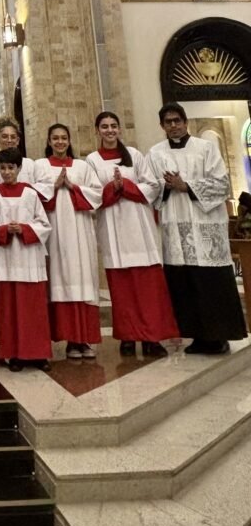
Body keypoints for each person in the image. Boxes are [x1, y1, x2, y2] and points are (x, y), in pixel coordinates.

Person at [147, 103, 246, 354]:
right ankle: (197, 336)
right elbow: (148, 187)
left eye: (177, 120)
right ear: (162, 126)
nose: (173, 125)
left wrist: (186, 186)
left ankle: (219, 336)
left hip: (204, 226)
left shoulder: (205, 148)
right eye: (168, 122)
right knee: (185, 284)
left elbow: (222, 184)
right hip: (175, 228)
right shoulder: (155, 153)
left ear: (185, 121)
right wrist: (165, 185)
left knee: (210, 283)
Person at [86, 112, 178, 358]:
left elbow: (152, 185)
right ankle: (127, 336)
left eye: (113, 126)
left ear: (119, 129)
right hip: (113, 230)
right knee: (122, 289)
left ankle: (151, 338)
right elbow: (93, 193)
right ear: (97, 130)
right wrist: (111, 188)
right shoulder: (92, 160)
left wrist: (124, 186)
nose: (109, 130)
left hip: (139, 227)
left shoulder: (135, 155)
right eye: (104, 126)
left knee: (147, 289)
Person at [33, 124, 103, 360]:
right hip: (54, 232)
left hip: (80, 230)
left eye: (64, 138)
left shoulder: (83, 166)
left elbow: (97, 195)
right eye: (55, 138)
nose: (60, 142)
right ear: (49, 141)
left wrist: (72, 186)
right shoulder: (39, 165)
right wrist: (53, 186)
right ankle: (66, 339)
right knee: (59, 279)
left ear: (70, 140)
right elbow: (32, 197)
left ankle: (81, 339)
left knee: (82, 278)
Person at [0, 148, 52, 372]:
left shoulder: (30, 194)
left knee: (34, 309)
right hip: (8, 260)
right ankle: (13, 353)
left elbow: (44, 224)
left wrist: (24, 229)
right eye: (3, 168)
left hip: (30, 258)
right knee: (11, 309)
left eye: (11, 168)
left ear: (19, 169)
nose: (7, 172)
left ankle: (39, 354)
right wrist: (5, 229)